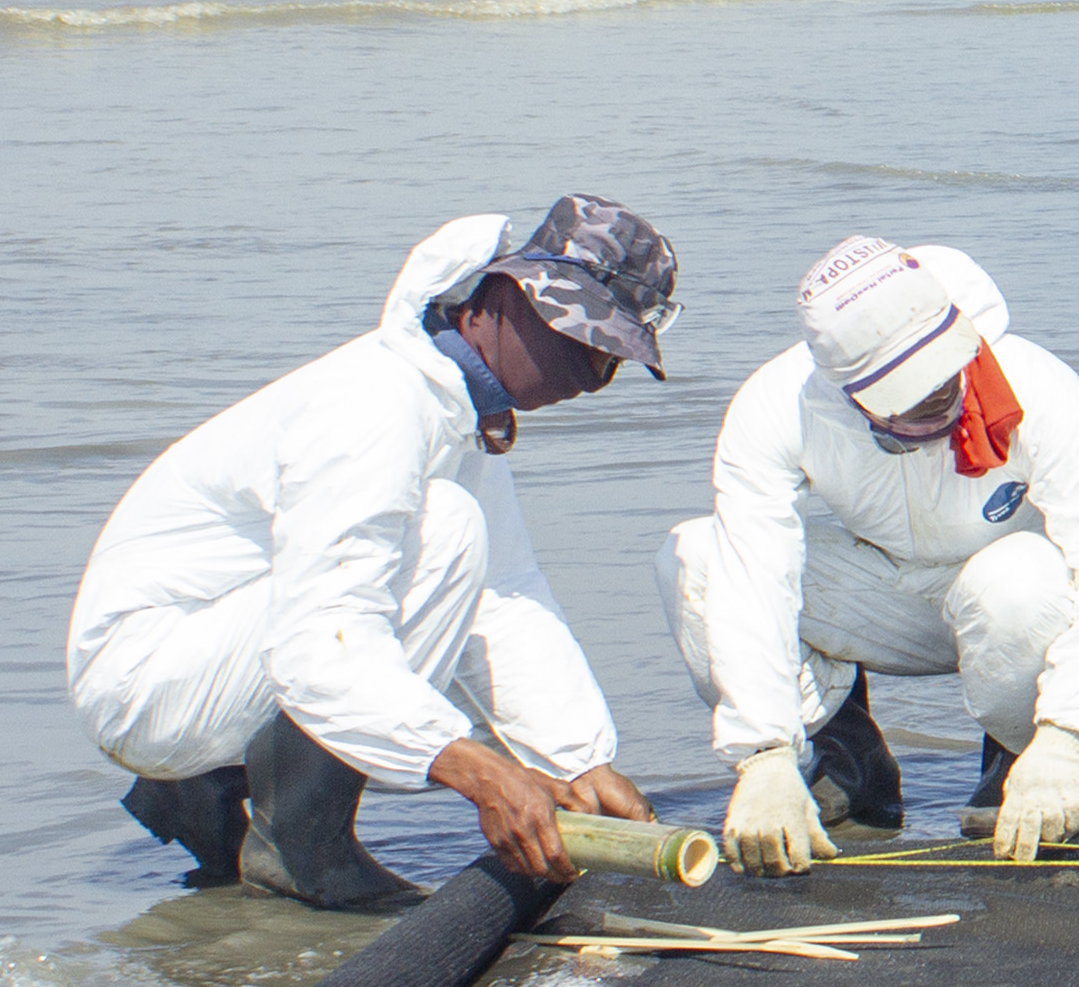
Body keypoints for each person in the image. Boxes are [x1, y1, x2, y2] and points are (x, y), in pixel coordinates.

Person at [65, 200, 677, 909]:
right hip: (147, 675)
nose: (597, 374)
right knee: (446, 531)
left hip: (212, 649)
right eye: (582, 337)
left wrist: (577, 760)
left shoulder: (457, 415)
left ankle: (211, 787)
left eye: (614, 356)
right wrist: (478, 772)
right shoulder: (374, 405)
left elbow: (506, 595)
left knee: (462, 540)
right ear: (502, 298)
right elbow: (321, 642)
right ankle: (303, 843)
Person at [658, 238, 1079, 871]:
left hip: (1010, 606)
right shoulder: (777, 405)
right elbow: (752, 579)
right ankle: (848, 763)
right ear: (847, 389)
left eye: (942, 378)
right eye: (906, 395)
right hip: (884, 595)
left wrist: (1067, 736)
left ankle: (1018, 755)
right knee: (697, 556)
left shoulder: (1039, 385)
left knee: (1020, 580)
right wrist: (763, 756)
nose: (935, 399)